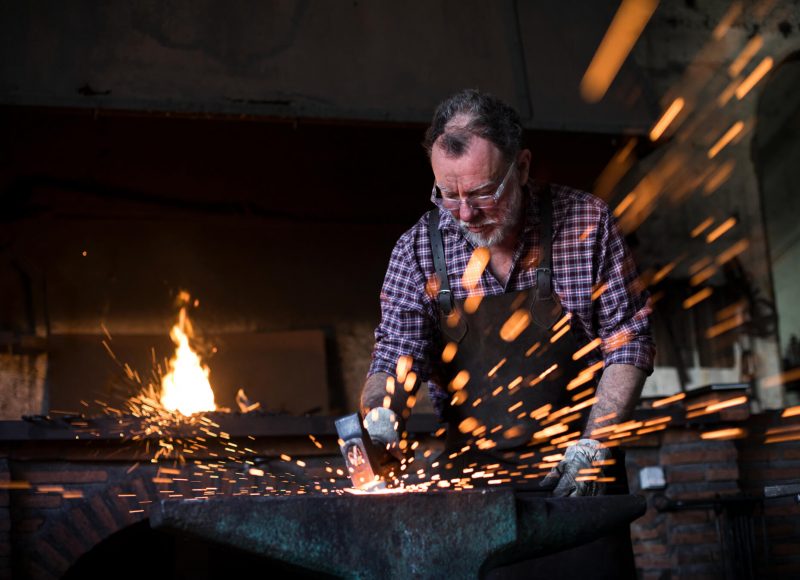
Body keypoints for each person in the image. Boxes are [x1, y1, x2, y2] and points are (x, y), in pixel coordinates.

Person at [360, 89, 655, 501]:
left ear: (521, 167)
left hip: (581, 469)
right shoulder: (417, 251)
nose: (465, 213)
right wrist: (381, 410)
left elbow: (628, 341)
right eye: (448, 194)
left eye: (483, 193)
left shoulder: (587, 223)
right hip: (472, 483)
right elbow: (396, 354)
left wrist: (596, 445)